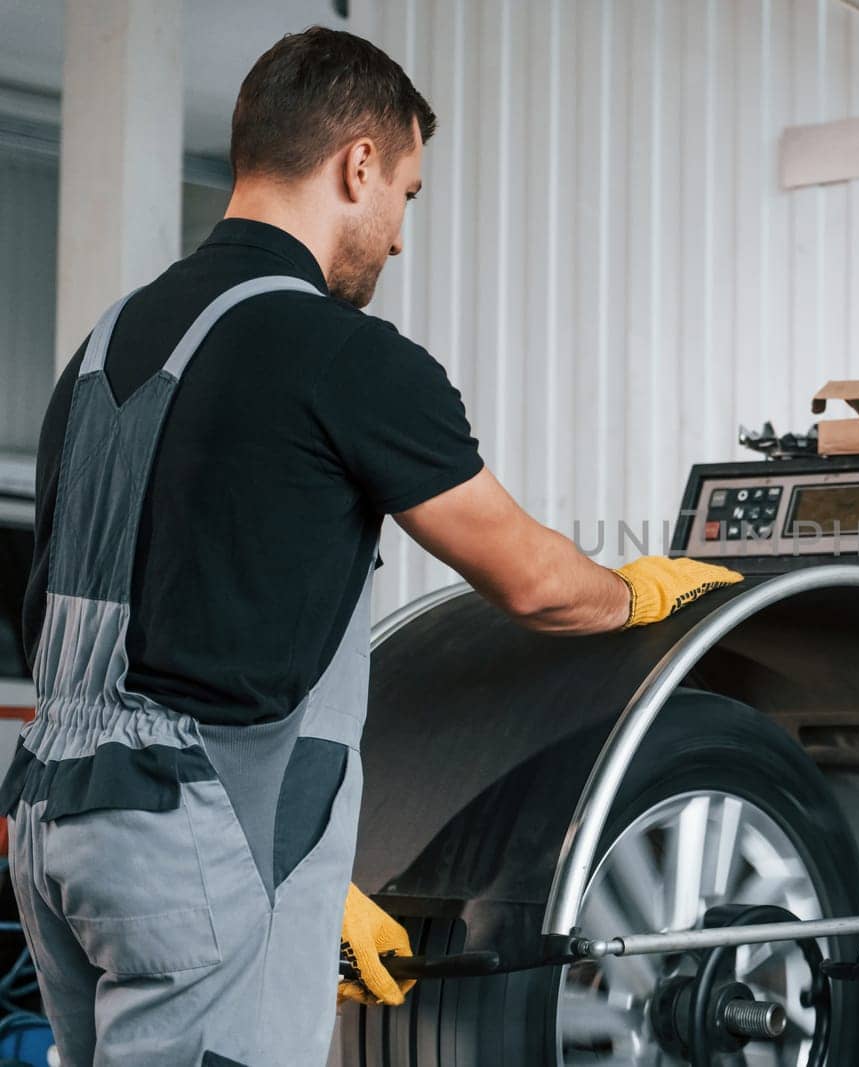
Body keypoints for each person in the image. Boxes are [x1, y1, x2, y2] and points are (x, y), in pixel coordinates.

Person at [6, 26, 738, 1067]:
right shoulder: (340, 354)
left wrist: (305, 874)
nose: (397, 236)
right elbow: (530, 580)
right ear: (358, 163)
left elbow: (149, 616)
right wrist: (633, 594)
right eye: (407, 191)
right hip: (188, 844)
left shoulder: (108, 342)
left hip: (60, 827)